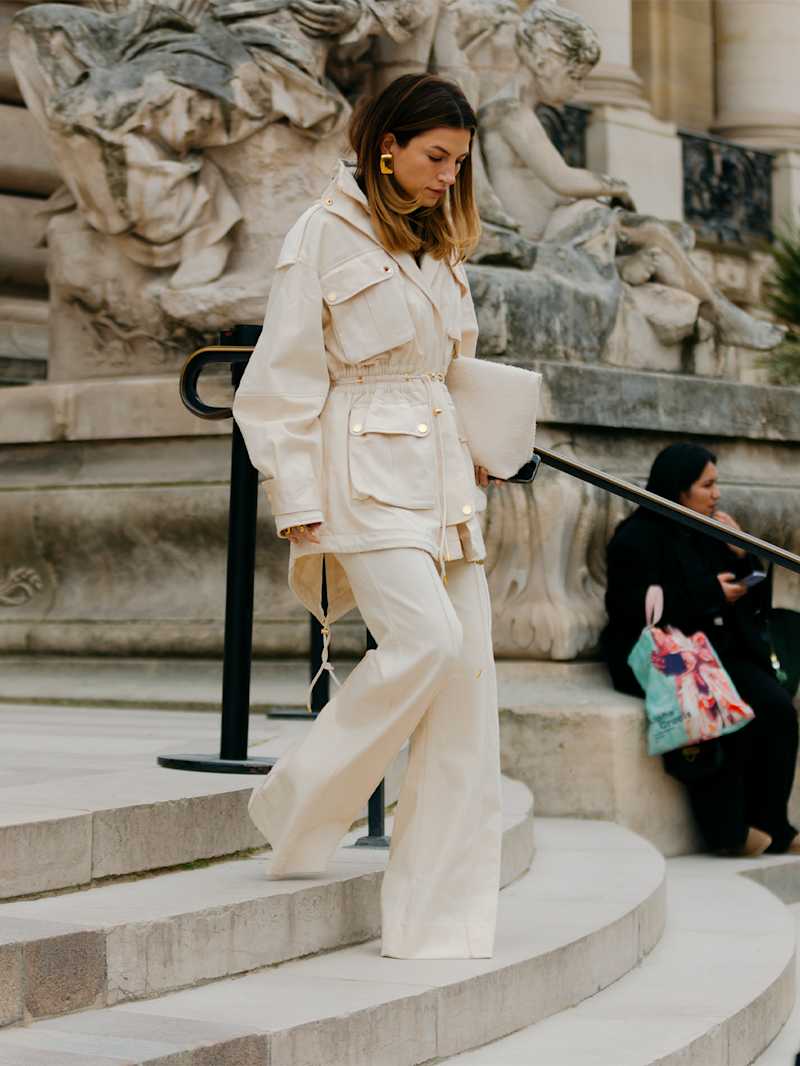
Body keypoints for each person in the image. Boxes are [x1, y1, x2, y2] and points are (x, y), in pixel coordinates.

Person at [232, 73, 506, 959]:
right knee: (425, 642)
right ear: (385, 143)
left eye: (459, 162)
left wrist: (488, 445)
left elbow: (455, 369)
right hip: (360, 474)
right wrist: (296, 501)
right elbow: (278, 380)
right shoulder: (322, 233)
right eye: (435, 156)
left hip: (447, 481)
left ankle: (442, 923)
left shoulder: (445, 247)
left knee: (467, 699)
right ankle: (296, 798)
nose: (447, 176)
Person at [602, 442, 799, 858]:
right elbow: (634, 610)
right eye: (707, 485)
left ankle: (773, 825)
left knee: (777, 708)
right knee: (721, 708)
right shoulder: (636, 538)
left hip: (717, 651)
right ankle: (729, 833)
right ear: (678, 489)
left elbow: (752, 596)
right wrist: (710, 593)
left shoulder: (710, 532)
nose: (717, 494)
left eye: (716, 484)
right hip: (665, 657)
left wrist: (743, 554)